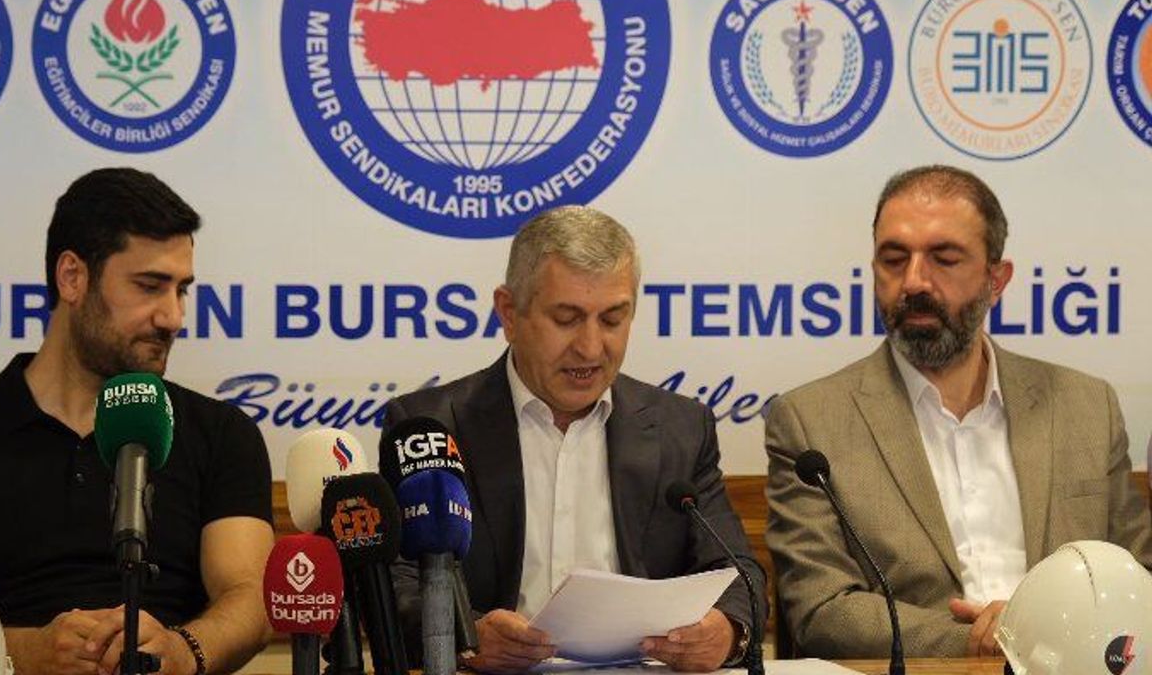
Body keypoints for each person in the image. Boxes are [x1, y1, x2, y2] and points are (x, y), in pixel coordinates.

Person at [0, 168, 274, 675]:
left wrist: (180, 650)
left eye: (182, 290)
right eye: (150, 286)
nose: (173, 317)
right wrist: (31, 653)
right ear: (72, 277)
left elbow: (251, 596)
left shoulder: (222, 433)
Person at [765, 165, 1152, 658]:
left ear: (997, 279)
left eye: (944, 258)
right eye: (894, 259)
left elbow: (1137, 576)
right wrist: (984, 638)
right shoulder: (810, 421)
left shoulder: (1086, 407)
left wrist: (1053, 635)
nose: (914, 281)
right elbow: (822, 610)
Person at [382, 206, 765, 673]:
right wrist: (467, 637)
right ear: (509, 312)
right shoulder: (431, 427)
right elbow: (395, 583)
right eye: (566, 319)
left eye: (612, 320)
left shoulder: (681, 428)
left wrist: (726, 632)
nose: (590, 347)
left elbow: (737, 572)